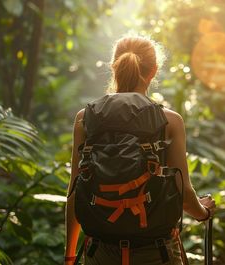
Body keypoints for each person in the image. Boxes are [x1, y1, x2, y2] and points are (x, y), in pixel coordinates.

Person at [65, 35, 216, 264]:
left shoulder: (85, 118)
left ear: (114, 66)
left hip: (100, 253)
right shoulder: (169, 121)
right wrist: (203, 213)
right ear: (154, 71)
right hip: (156, 254)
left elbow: (75, 192)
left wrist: (69, 256)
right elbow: (183, 193)